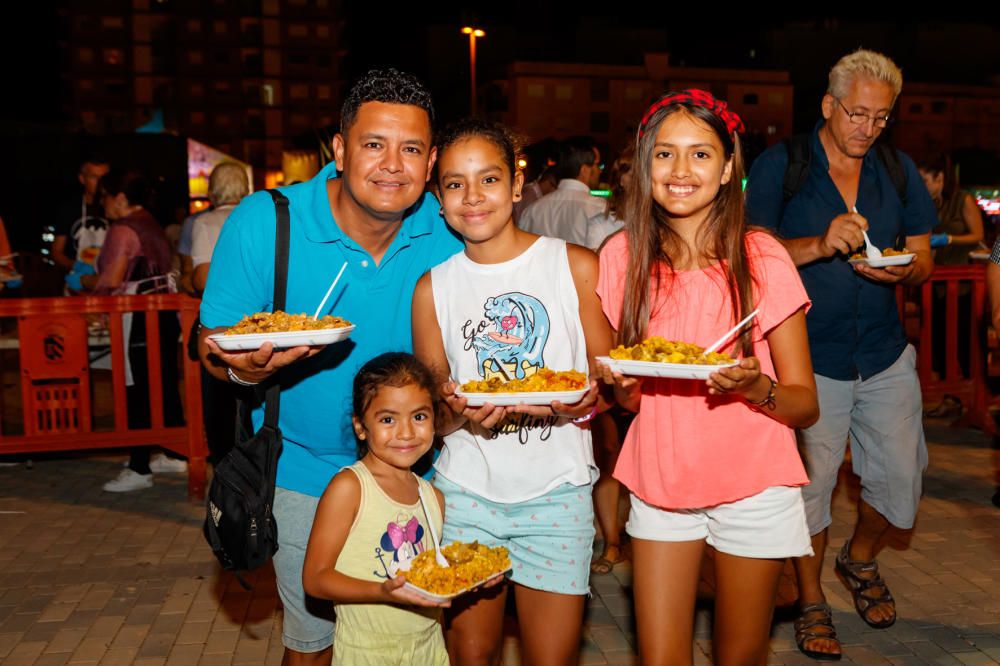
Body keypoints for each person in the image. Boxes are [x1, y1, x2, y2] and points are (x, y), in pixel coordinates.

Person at [198, 69, 462, 666]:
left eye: (411, 149)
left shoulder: (449, 230)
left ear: (430, 160)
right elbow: (211, 344)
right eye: (374, 144)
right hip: (307, 473)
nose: (392, 164)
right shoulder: (269, 221)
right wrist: (248, 371)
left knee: (423, 636)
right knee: (313, 645)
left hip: (426, 473)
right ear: (340, 150)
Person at [596, 89, 818, 665]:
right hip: (660, 481)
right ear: (644, 167)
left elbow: (803, 405)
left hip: (754, 484)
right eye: (664, 154)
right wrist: (622, 391)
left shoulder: (761, 257)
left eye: (700, 154)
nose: (680, 170)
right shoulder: (620, 257)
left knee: (739, 657)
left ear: (726, 170)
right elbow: (633, 395)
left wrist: (753, 388)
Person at [745, 50, 936, 660]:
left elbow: (923, 255)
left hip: (882, 354)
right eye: (857, 113)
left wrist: (904, 274)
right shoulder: (784, 166)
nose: (868, 128)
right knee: (810, 490)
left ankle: (858, 560)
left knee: (902, 485)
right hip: (808, 357)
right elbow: (748, 252)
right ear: (828, 106)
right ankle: (810, 602)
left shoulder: (897, 170)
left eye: (881, 118)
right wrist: (818, 242)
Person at [411, 118, 610, 665]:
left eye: (489, 179)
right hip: (468, 496)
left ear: (517, 184)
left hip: (559, 495)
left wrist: (587, 402)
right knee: (470, 657)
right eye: (454, 184)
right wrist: (461, 416)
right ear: (439, 196)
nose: (472, 197)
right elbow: (438, 416)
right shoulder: (433, 289)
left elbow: (607, 385)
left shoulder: (575, 267)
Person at [302, 352, 449, 665]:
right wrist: (382, 591)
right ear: (360, 426)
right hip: (366, 652)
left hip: (428, 648)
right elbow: (315, 579)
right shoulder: (350, 488)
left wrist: (468, 577)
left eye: (419, 417)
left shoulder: (433, 497)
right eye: (388, 419)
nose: (407, 432)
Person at [87, 170, 187, 491]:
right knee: (164, 383)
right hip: (162, 313)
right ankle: (174, 452)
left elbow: (111, 280)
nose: (101, 202)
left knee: (137, 387)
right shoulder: (151, 223)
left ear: (119, 198)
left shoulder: (123, 228)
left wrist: (89, 287)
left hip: (137, 316)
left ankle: (139, 466)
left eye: (104, 195)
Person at [919, 153, 984, 408]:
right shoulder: (930, 204)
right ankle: (949, 396)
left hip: (965, 282)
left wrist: (949, 239)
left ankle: (972, 398)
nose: (921, 185)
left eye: (925, 180)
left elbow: (978, 235)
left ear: (940, 178)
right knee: (938, 340)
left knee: (966, 340)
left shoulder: (963, 200)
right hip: (937, 284)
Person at [518, 135, 606, 246]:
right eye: (597, 165)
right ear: (584, 170)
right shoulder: (599, 208)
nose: (599, 171)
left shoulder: (532, 210)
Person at [53, 155, 110, 273]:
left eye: (103, 178)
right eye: (94, 177)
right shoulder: (69, 208)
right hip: (76, 279)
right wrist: (76, 266)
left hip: (107, 280)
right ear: (82, 179)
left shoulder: (116, 209)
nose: (99, 183)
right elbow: (56, 252)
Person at [584, 144, 633, 251]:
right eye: (634, 176)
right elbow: (596, 265)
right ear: (621, 180)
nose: (643, 183)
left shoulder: (664, 223)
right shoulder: (600, 225)